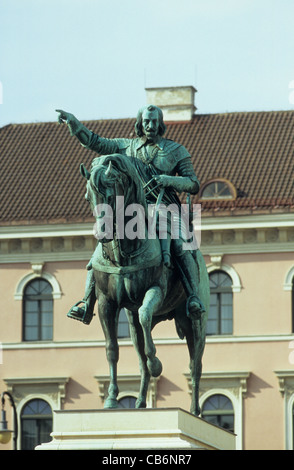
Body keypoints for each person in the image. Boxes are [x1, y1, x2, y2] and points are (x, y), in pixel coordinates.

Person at [56, 105, 205, 323]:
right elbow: (95, 142)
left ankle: (193, 297)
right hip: (130, 210)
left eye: (154, 122)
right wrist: (75, 125)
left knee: (183, 244)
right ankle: (87, 301)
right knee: (104, 242)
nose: (150, 126)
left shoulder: (176, 150)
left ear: (160, 123)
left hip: (165, 206)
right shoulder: (126, 147)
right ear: (140, 123)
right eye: (146, 121)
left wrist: (169, 180)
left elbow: (193, 183)